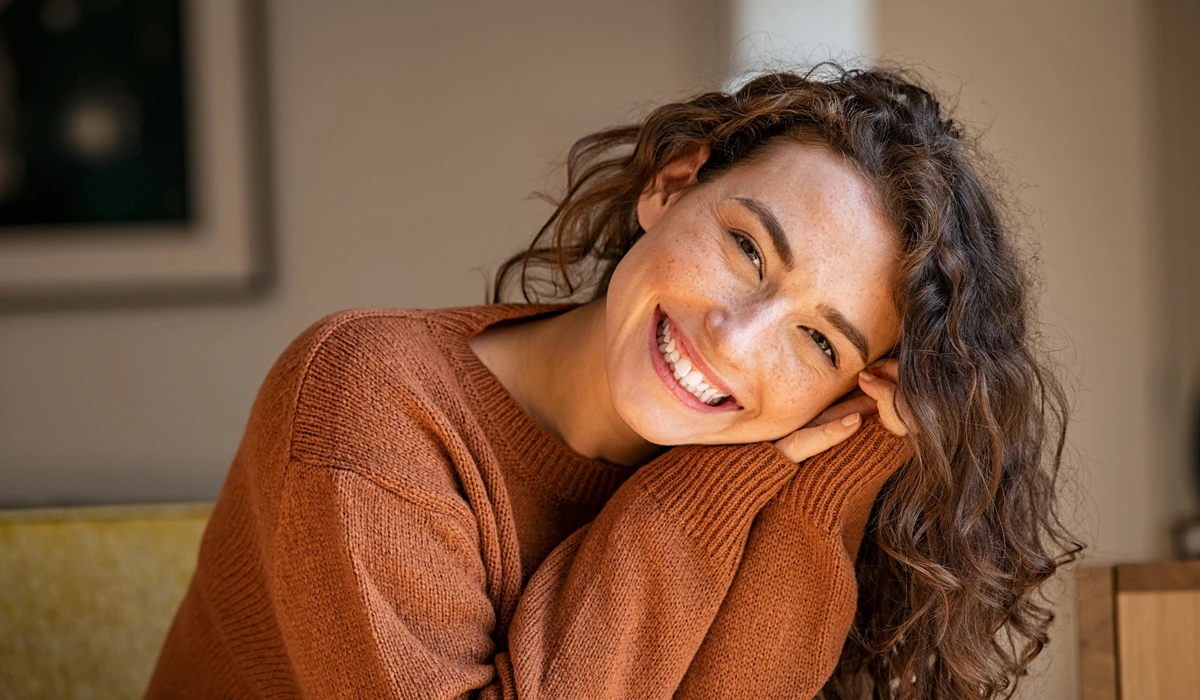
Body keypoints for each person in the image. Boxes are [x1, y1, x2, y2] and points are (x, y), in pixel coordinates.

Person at [146, 65, 1081, 699]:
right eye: (748, 248)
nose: (737, 338)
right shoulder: (372, 401)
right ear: (670, 189)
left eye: (819, 344)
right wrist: (711, 486)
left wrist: (824, 487)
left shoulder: (779, 478)